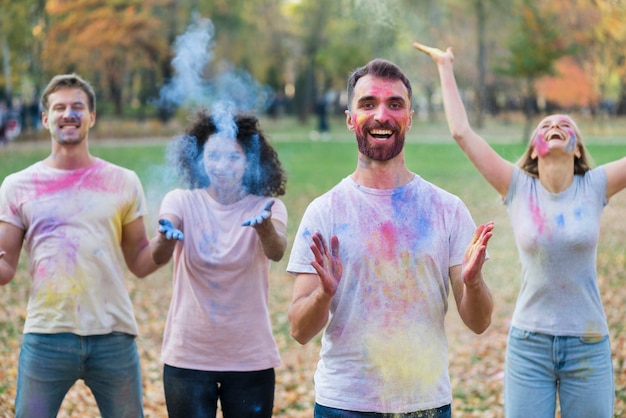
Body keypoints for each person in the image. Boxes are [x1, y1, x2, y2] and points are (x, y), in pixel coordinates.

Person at [414, 42, 626, 418]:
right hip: (530, 345)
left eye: (565, 125)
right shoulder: (517, 186)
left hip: (588, 343)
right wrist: (446, 67)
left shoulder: (594, 185)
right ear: (534, 148)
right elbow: (462, 133)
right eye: (546, 125)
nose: (555, 126)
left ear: (577, 149)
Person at [286, 58, 495, 417]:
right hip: (344, 405)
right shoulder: (324, 212)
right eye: (368, 104)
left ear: (409, 118)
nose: (381, 115)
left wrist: (473, 283)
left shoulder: (448, 209)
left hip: (425, 404)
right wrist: (324, 293)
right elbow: (299, 330)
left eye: (394, 104)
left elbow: (479, 323)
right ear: (350, 118)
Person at [0, 73, 163, 417]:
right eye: (59, 108)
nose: (68, 114)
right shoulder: (17, 185)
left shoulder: (123, 181)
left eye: (77, 106)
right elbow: (6, 269)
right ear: (45, 119)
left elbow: (140, 260)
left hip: (113, 336)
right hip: (46, 336)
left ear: (92, 117)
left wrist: (170, 242)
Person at [151, 109, 288, 418]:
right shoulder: (180, 201)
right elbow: (158, 256)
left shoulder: (268, 206)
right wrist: (165, 235)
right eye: (213, 156)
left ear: (250, 160)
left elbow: (277, 250)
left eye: (233, 157)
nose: (222, 166)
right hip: (188, 359)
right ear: (200, 158)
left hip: (250, 360)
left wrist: (264, 226)